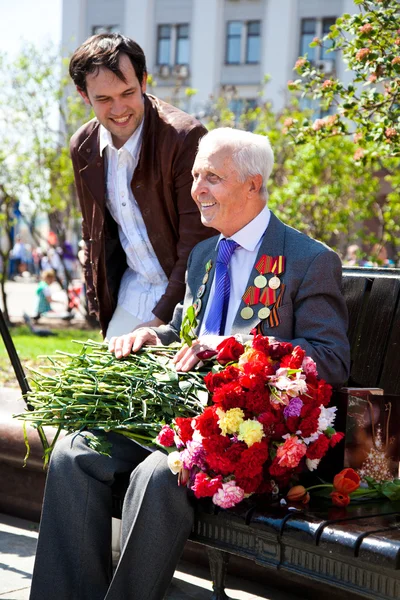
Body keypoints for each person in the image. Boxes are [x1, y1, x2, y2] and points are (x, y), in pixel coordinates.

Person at [30, 128, 350, 600]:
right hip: (179, 415)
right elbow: (187, 334)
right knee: (76, 450)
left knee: (158, 474)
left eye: (212, 178)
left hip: (247, 433)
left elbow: (332, 360)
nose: (198, 188)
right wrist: (149, 335)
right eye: (197, 175)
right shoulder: (205, 254)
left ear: (253, 185)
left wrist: (232, 346)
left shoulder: (307, 260)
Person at [69, 33, 216, 339]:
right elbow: (91, 232)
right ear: (84, 95)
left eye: (128, 92)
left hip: (191, 299)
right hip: (131, 293)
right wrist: (98, 307)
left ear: (144, 82)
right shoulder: (83, 145)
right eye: (104, 99)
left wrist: (162, 322)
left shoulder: (183, 137)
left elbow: (198, 241)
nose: (119, 108)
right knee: (105, 386)